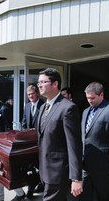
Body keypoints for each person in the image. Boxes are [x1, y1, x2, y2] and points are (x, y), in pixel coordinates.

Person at [36, 68, 83, 200]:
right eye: (38, 82)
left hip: (58, 172)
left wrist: (76, 178)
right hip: (44, 170)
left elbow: (74, 145)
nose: (39, 85)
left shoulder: (68, 108)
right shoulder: (42, 108)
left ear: (55, 84)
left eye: (43, 82)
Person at [80, 82, 109, 201]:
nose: (90, 100)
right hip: (84, 163)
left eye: (92, 98)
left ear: (101, 95)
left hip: (102, 164)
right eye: (87, 98)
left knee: (102, 195)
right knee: (84, 195)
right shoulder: (86, 111)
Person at [20, 84, 45, 199]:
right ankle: (31, 189)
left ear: (37, 94)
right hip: (30, 144)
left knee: (41, 166)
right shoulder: (27, 106)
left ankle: (41, 185)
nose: (30, 96)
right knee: (31, 168)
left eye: (32, 94)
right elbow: (24, 123)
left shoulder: (44, 105)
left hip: (42, 143)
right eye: (28, 94)